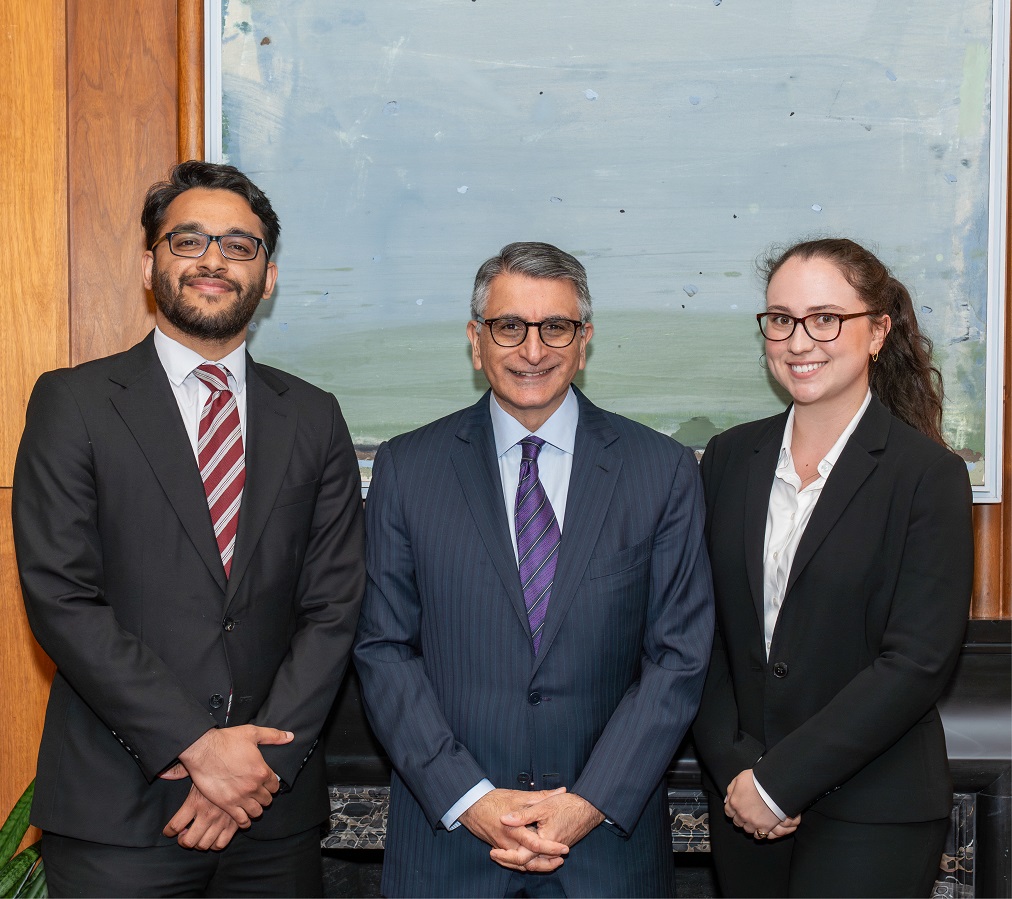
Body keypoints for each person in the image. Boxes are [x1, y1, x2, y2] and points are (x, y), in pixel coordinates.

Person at [12, 160, 365, 897]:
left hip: (273, 813)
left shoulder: (313, 415)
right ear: (151, 263)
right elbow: (62, 598)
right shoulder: (73, 402)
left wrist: (254, 767)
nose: (213, 259)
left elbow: (334, 608)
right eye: (190, 240)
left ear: (267, 276)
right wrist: (196, 746)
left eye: (240, 245)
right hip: (120, 810)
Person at [354, 241, 714, 898]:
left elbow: (679, 658)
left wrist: (588, 801)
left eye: (556, 327)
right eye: (509, 326)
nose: (533, 349)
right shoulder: (408, 469)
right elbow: (383, 648)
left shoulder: (660, 471)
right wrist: (471, 797)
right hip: (449, 848)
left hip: (606, 850)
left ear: (584, 341)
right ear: (476, 339)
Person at [692, 237, 974, 898]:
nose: (798, 340)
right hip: (742, 804)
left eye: (825, 318)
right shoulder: (729, 459)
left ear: (877, 330)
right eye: (781, 319)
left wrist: (779, 779)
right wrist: (740, 771)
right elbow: (697, 636)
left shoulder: (927, 475)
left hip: (876, 809)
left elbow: (917, 662)